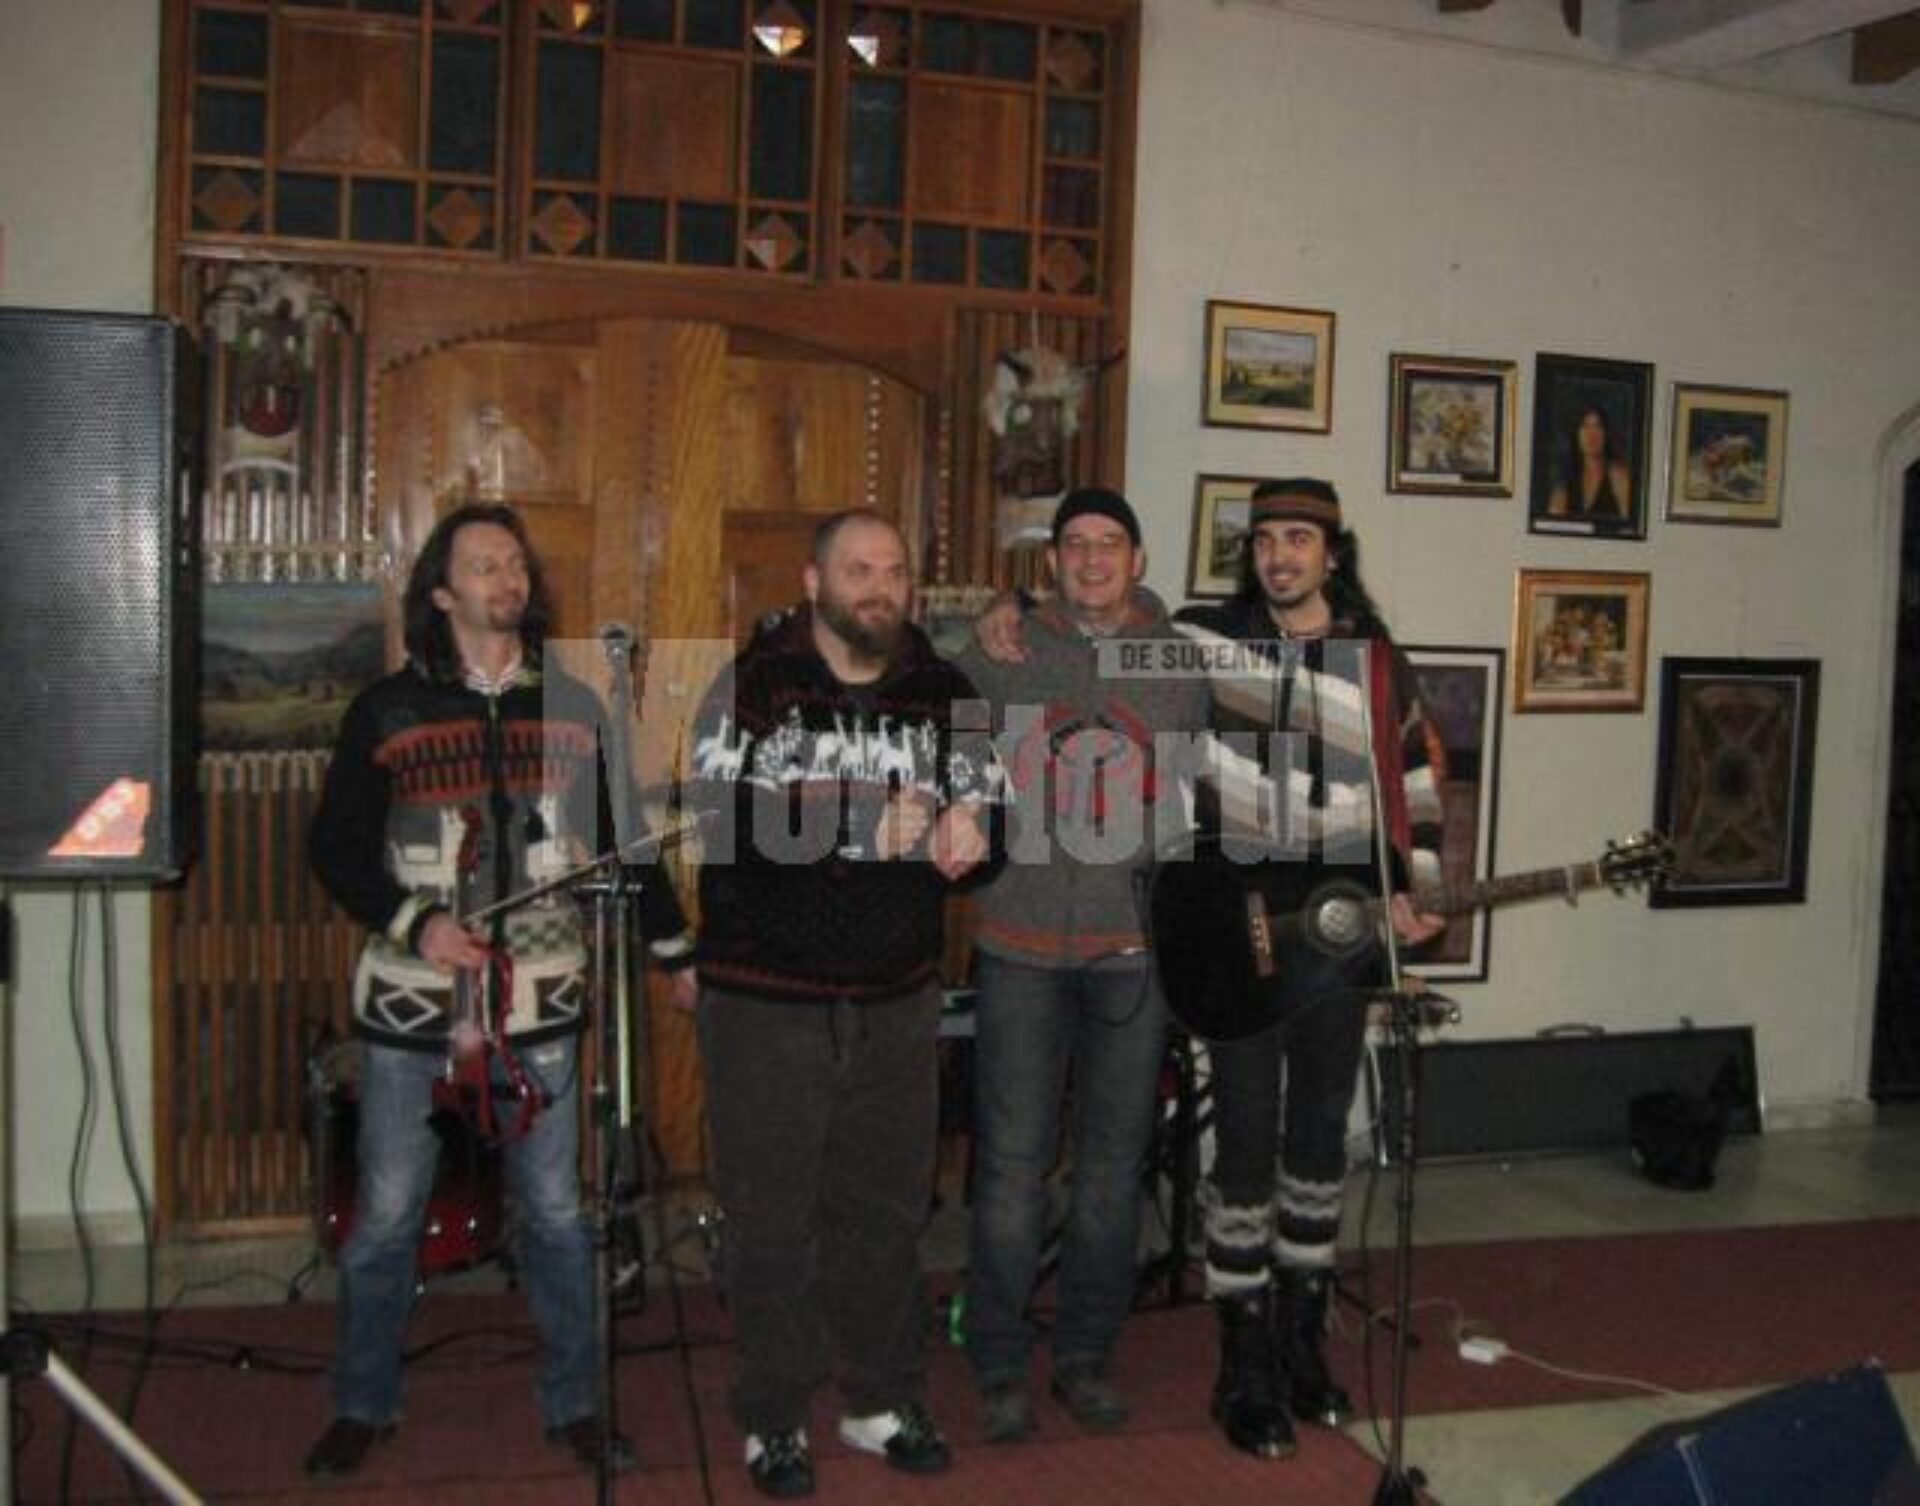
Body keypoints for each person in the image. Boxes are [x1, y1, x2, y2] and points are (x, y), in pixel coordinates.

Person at [974, 477, 1445, 1461]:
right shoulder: (1201, 643)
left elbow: (1416, 780)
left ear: (1331, 552)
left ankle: (1301, 1341)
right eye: (1266, 539)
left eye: (1300, 539)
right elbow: (1088, 637)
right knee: (1243, 1147)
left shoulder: (1375, 658)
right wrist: (1008, 604)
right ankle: (1243, 1362)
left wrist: (1423, 892)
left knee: (1318, 1140)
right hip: (1236, 940)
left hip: (1340, 934)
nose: (1281, 556)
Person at [304, 502, 697, 1479]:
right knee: (388, 1211)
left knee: (557, 1212)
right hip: (413, 1000)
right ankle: (362, 1401)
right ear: (441, 594)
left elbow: (622, 842)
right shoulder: (388, 710)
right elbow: (337, 849)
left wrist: (676, 952)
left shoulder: (572, 705)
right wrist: (418, 922)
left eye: (515, 564)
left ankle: (575, 1402)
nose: (507, 579)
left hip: (542, 999)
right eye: (484, 565)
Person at [686, 509, 1005, 1499]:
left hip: (896, 1000)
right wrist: (861, 820)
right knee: (772, 1221)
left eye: (895, 570)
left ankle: (881, 1398)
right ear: (814, 582)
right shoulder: (751, 686)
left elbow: (994, 820)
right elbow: (718, 823)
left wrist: (971, 828)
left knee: (886, 1215)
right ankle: (774, 1414)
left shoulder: (947, 692)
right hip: (766, 1003)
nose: (880, 587)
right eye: (858, 569)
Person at [952, 488, 1209, 1444]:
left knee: (1111, 1171)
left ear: (1138, 560)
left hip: (1132, 955)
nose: (1092, 560)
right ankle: (996, 1357)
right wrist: (999, 606)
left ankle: (1087, 1355)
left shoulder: (1179, 661)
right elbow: (932, 714)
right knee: (1011, 1167)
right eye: (1074, 545)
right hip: (1018, 946)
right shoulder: (1001, 649)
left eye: (1110, 544)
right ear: (1051, 560)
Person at [1546, 405, 1633, 525]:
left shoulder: (1618, 475)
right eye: (1585, 426)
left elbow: (1629, 525)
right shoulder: (1566, 479)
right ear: (1577, 434)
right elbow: (1552, 524)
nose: (1591, 434)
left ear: (1606, 434)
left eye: (1597, 427)